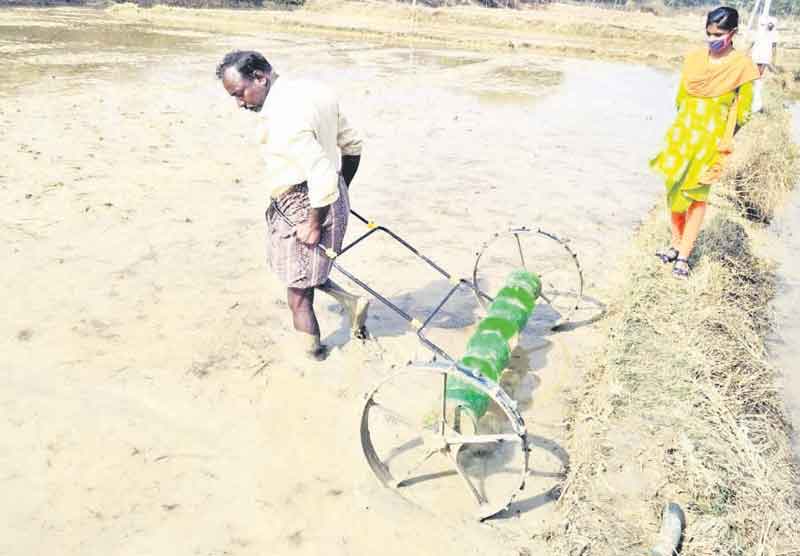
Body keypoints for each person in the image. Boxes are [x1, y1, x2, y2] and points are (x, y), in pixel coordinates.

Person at [216, 50, 369, 360]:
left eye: (240, 93)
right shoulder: (313, 91)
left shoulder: (285, 116)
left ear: (260, 77)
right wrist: (343, 192)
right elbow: (351, 145)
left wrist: (315, 223)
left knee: (297, 295)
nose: (240, 103)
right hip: (320, 197)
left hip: (309, 202)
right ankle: (351, 302)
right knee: (298, 271)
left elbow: (323, 177)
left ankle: (313, 358)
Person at [650, 7, 759, 279]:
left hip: (710, 143)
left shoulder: (742, 67)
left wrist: (722, 138)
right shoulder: (694, 60)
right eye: (709, 33)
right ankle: (675, 244)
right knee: (674, 192)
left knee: (697, 198)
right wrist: (687, 126)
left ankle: (684, 256)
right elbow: (680, 99)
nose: (712, 38)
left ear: (732, 33)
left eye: (718, 34)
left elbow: (743, 112)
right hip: (682, 136)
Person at [750, 15, 779, 113]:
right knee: (756, 80)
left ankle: (756, 105)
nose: (770, 26)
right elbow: (752, 44)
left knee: (757, 79)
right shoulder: (760, 32)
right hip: (758, 58)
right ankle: (756, 106)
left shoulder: (772, 34)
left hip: (763, 58)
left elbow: (774, 49)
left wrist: (773, 63)